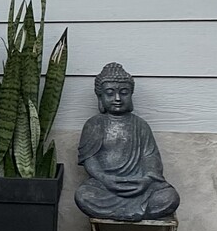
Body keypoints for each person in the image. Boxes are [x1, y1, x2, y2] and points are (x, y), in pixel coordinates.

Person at [74, 62, 179, 221]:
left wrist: (146, 180)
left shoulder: (141, 125)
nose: (117, 98)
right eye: (110, 93)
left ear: (131, 95)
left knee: (170, 197)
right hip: (106, 186)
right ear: (100, 97)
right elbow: (90, 159)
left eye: (124, 93)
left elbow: (150, 157)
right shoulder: (94, 124)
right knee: (83, 195)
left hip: (138, 185)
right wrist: (105, 179)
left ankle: (124, 212)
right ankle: (133, 212)